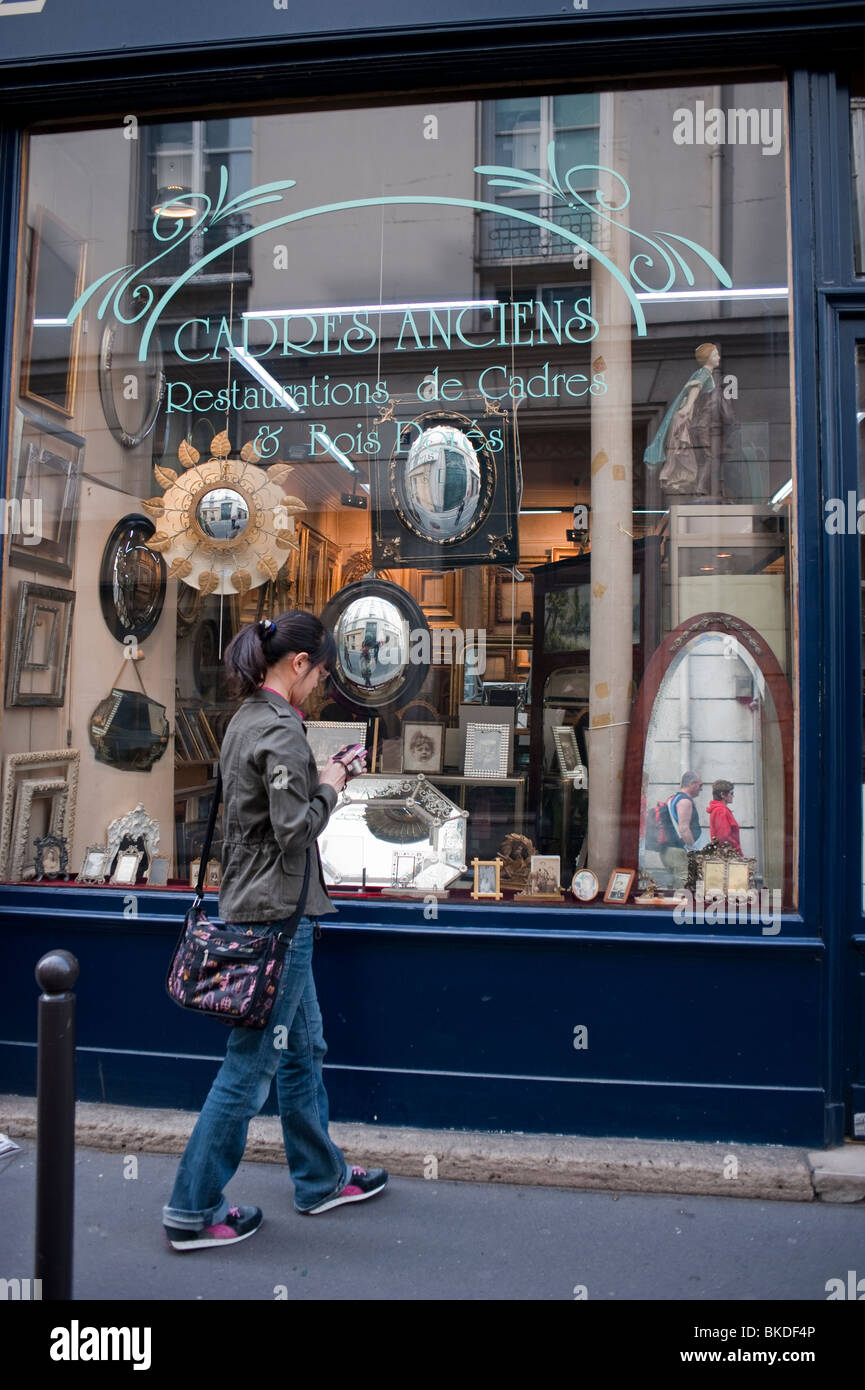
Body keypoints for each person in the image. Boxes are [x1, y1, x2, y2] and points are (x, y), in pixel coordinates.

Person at [162, 611, 387, 1251]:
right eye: (318, 672)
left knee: (301, 1049)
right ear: (297, 665)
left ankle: (320, 1178)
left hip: (262, 908)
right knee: (249, 1069)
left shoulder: (242, 721)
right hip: (277, 922)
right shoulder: (283, 729)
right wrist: (333, 783)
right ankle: (193, 1207)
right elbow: (296, 829)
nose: (318, 684)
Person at [659, 771, 703, 888]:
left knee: (676, 887)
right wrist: (694, 850)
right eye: (700, 785)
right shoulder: (685, 801)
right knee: (683, 889)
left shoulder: (672, 799)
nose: (701, 789)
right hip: (679, 852)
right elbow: (684, 829)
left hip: (670, 851)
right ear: (692, 784)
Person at [707, 779, 742, 854]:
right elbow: (724, 837)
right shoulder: (721, 811)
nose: (733, 796)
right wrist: (737, 850)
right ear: (722, 795)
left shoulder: (719, 810)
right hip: (729, 856)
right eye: (731, 793)